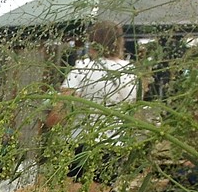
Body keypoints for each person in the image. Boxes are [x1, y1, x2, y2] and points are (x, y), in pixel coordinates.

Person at [46, 20, 139, 180]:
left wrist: (46, 126)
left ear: (92, 41)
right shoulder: (130, 72)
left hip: (80, 148)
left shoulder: (83, 68)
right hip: (114, 150)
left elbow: (58, 115)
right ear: (119, 41)